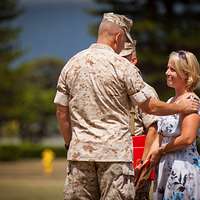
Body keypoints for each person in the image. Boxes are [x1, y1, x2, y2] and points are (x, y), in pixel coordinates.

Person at [54, 11, 199, 200]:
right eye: (124, 42)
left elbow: (61, 112)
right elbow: (150, 107)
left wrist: (70, 144)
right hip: (115, 158)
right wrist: (181, 107)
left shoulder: (71, 64)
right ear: (118, 37)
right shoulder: (123, 66)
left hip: (79, 155)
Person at [147, 50, 200, 200]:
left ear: (186, 74)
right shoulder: (171, 101)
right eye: (167, 68)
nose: (167, 72)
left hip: (182, 169)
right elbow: (160, 134)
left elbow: (188, 138)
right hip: (165, 167)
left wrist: (162, 150)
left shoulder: (191, 100)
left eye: (172, 69)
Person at [120, 41, 158, 200]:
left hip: (136, 157)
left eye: (122, 58)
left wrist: (143, 164)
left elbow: (153, 129)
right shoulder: (114, 89)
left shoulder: (146, 90)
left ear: (133, 60)